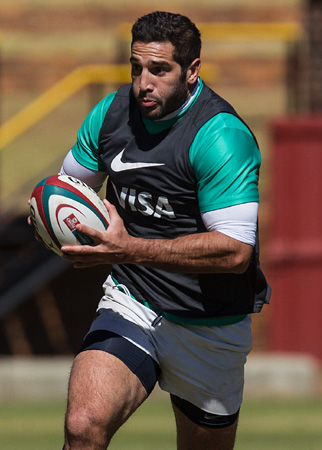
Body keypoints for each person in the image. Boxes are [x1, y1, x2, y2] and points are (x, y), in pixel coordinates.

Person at [38, 11, 270, 450]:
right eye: (136, 67)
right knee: (83, 426)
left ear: (192, 70)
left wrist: (128, 248)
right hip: (133, 300)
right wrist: (50, 224)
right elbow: (62, 190)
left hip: (209, 324)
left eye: (160, 70)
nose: (143, 83)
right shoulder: (110, 115)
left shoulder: (219, 135)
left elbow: (236, 251)